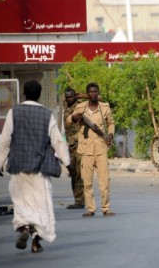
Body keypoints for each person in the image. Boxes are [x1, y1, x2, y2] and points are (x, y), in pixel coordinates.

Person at [0, 80, 70, 253]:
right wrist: (67, 163)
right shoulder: (46, 114)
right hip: (39, 170)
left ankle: (24, 229)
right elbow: (57, 141)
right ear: (39, 95)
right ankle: (36, 242)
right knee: (40, 206)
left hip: (18, 167)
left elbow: (5, 141)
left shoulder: (14, 112)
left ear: (24, 94)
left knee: (21, 203)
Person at [67, 82, 115, 218]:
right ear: (87, 94)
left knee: (104, 181)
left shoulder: (104, 107)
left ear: (98, 93)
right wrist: (74, 117)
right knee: (87, 181)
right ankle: (91, 209)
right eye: (91, 92)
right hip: (86, 149)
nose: (93, 94)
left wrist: (110, 134)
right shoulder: (81, 107)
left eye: (95, 92)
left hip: (101, 147)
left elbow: (111, 123)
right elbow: (69, 120)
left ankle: (106, 208)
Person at [63, 88, 85, 209]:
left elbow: (98, 98)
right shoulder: (65, 103)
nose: (69, 99)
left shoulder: (81, 105)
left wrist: (83, 94)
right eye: (67, 97)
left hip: (79, 144)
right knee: (72, 172)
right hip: (70, 145)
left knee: (79, 173)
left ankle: (80, 201)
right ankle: (78, 200)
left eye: (72, 97)